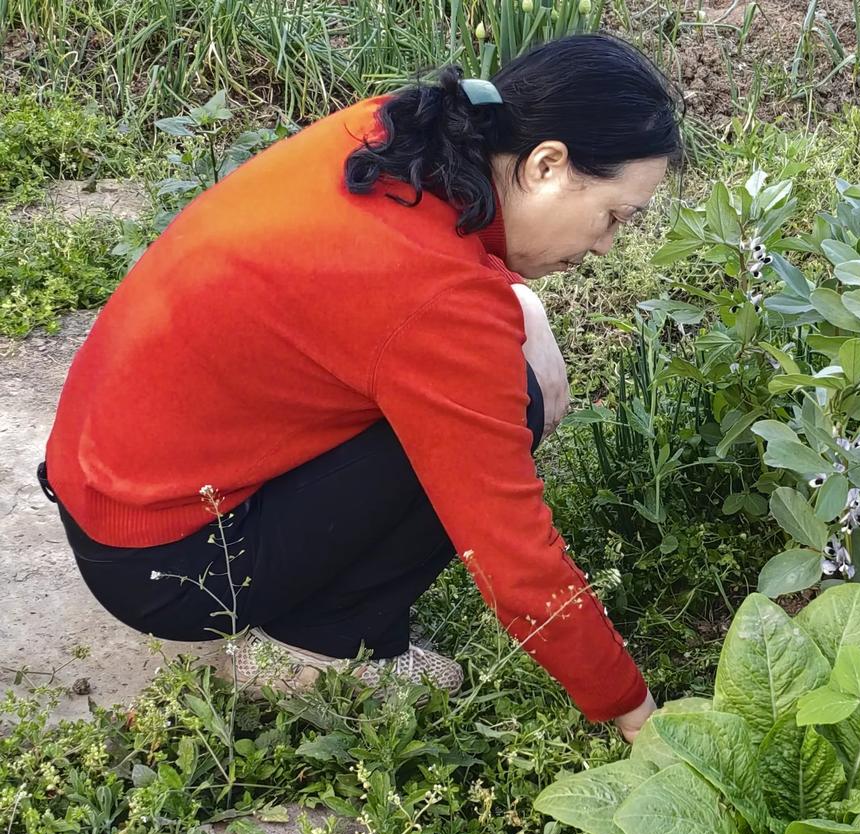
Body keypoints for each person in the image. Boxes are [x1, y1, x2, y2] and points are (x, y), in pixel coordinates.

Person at [38, 33, 684, 742]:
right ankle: (319, 649)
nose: (605, 247)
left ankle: (315, 619)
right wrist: (636, 716)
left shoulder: (401, 129)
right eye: (615, 217)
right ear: (547, 165)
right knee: (509, 402)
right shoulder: (435, 298)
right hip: (172, 568)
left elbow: (417, 282)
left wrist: (513, 301)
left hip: (109, 485)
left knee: (512, 345)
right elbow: (518, 562)